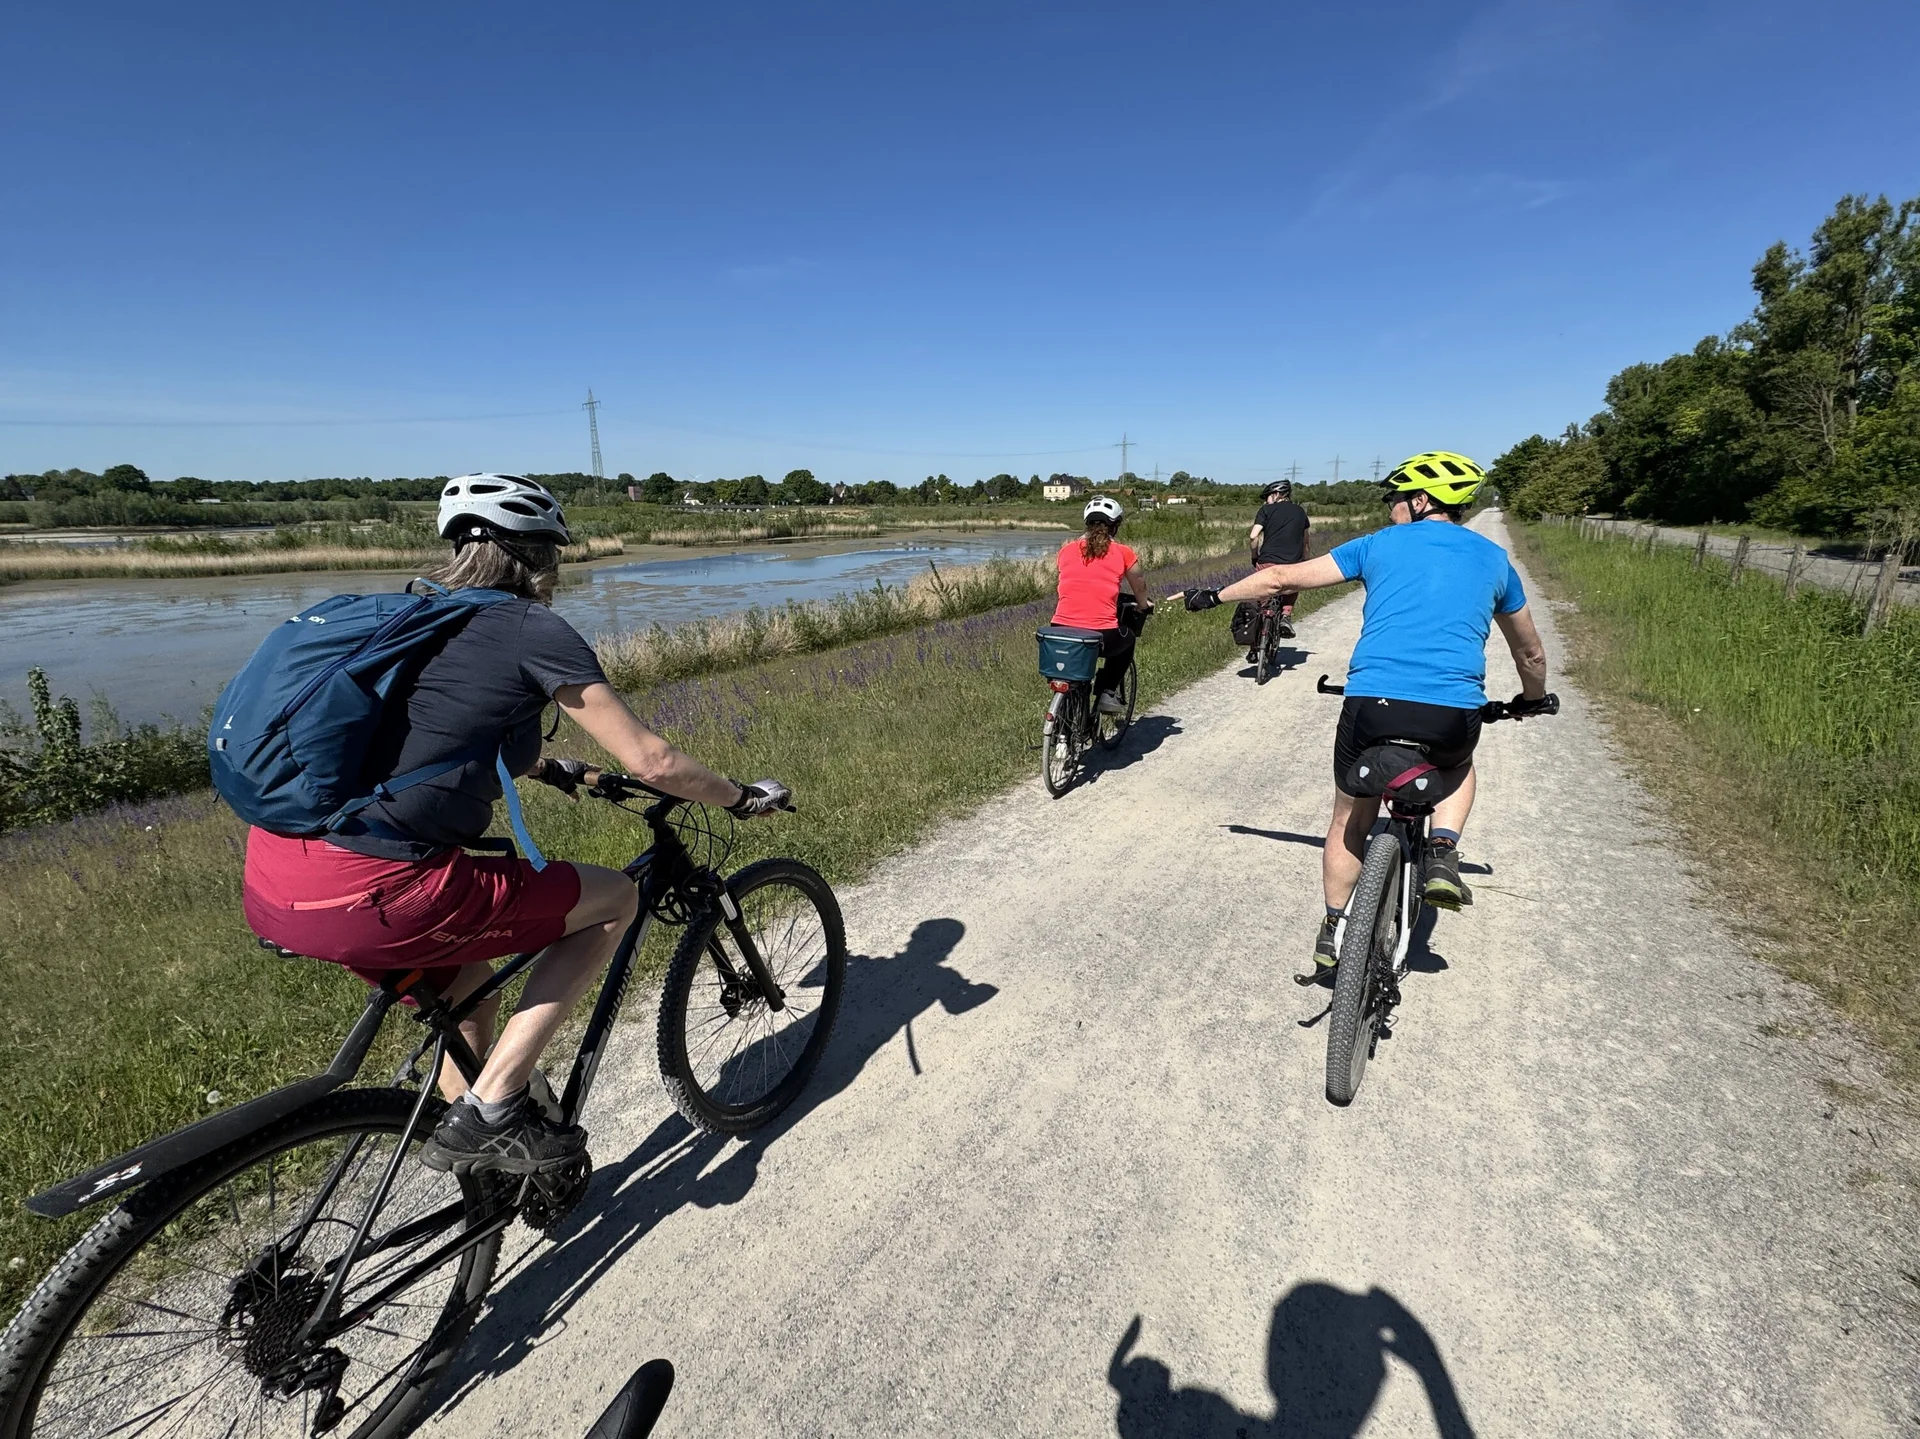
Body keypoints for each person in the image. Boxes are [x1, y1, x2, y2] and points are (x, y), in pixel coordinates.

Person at [242, 474, 793, 1174]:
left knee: (470, 989)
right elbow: (652, 759)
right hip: (379, 890)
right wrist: (740, 798)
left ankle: (488, 1180)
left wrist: (551, 767)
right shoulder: (529, 627)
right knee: (617, 899)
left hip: (279, 878)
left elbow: (426, 734)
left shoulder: (412, 616)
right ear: (535, 557)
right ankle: (494, 1108)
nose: (556, 573)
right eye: (554, 556)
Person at [1179, 452, 1550, 971]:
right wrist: (1533, 699)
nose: (1389, 508)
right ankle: (1443, 850)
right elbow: (1530, 654)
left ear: (1420, 501)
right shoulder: (1494, 560)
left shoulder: (1377, 545)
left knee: (1349, 820)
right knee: (1459, 763)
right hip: (1450, 714)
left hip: (1371, 706)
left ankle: (1333, 929)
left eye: (1394, 498)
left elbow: (1278, 578)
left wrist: (1211, 596)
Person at [1051, 495, 1155, 713]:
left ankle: (1064, 714)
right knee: (1128, 638)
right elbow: (1140, 586)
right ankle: (1107, 692)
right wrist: (1143, 605)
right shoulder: (1123, 553)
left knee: (1071, 668)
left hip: (1060, 629)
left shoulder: (1066, 550)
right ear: (1115, 526)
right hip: (1102, 633)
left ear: (1087, 524)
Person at [1246, 479, 1311, 653]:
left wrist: (1254, 556)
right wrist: (1305, 561)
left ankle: (1254, 646)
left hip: (1267, 561)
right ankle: (1286, 615)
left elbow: (1253, 536)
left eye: (1267, 497)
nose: (1265, 501)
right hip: (1292, 563)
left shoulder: (1265, 510)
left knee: (1261, 601)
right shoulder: (1300, 512)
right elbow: (1305, 541)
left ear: (1276, 494)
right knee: (1292, 586)